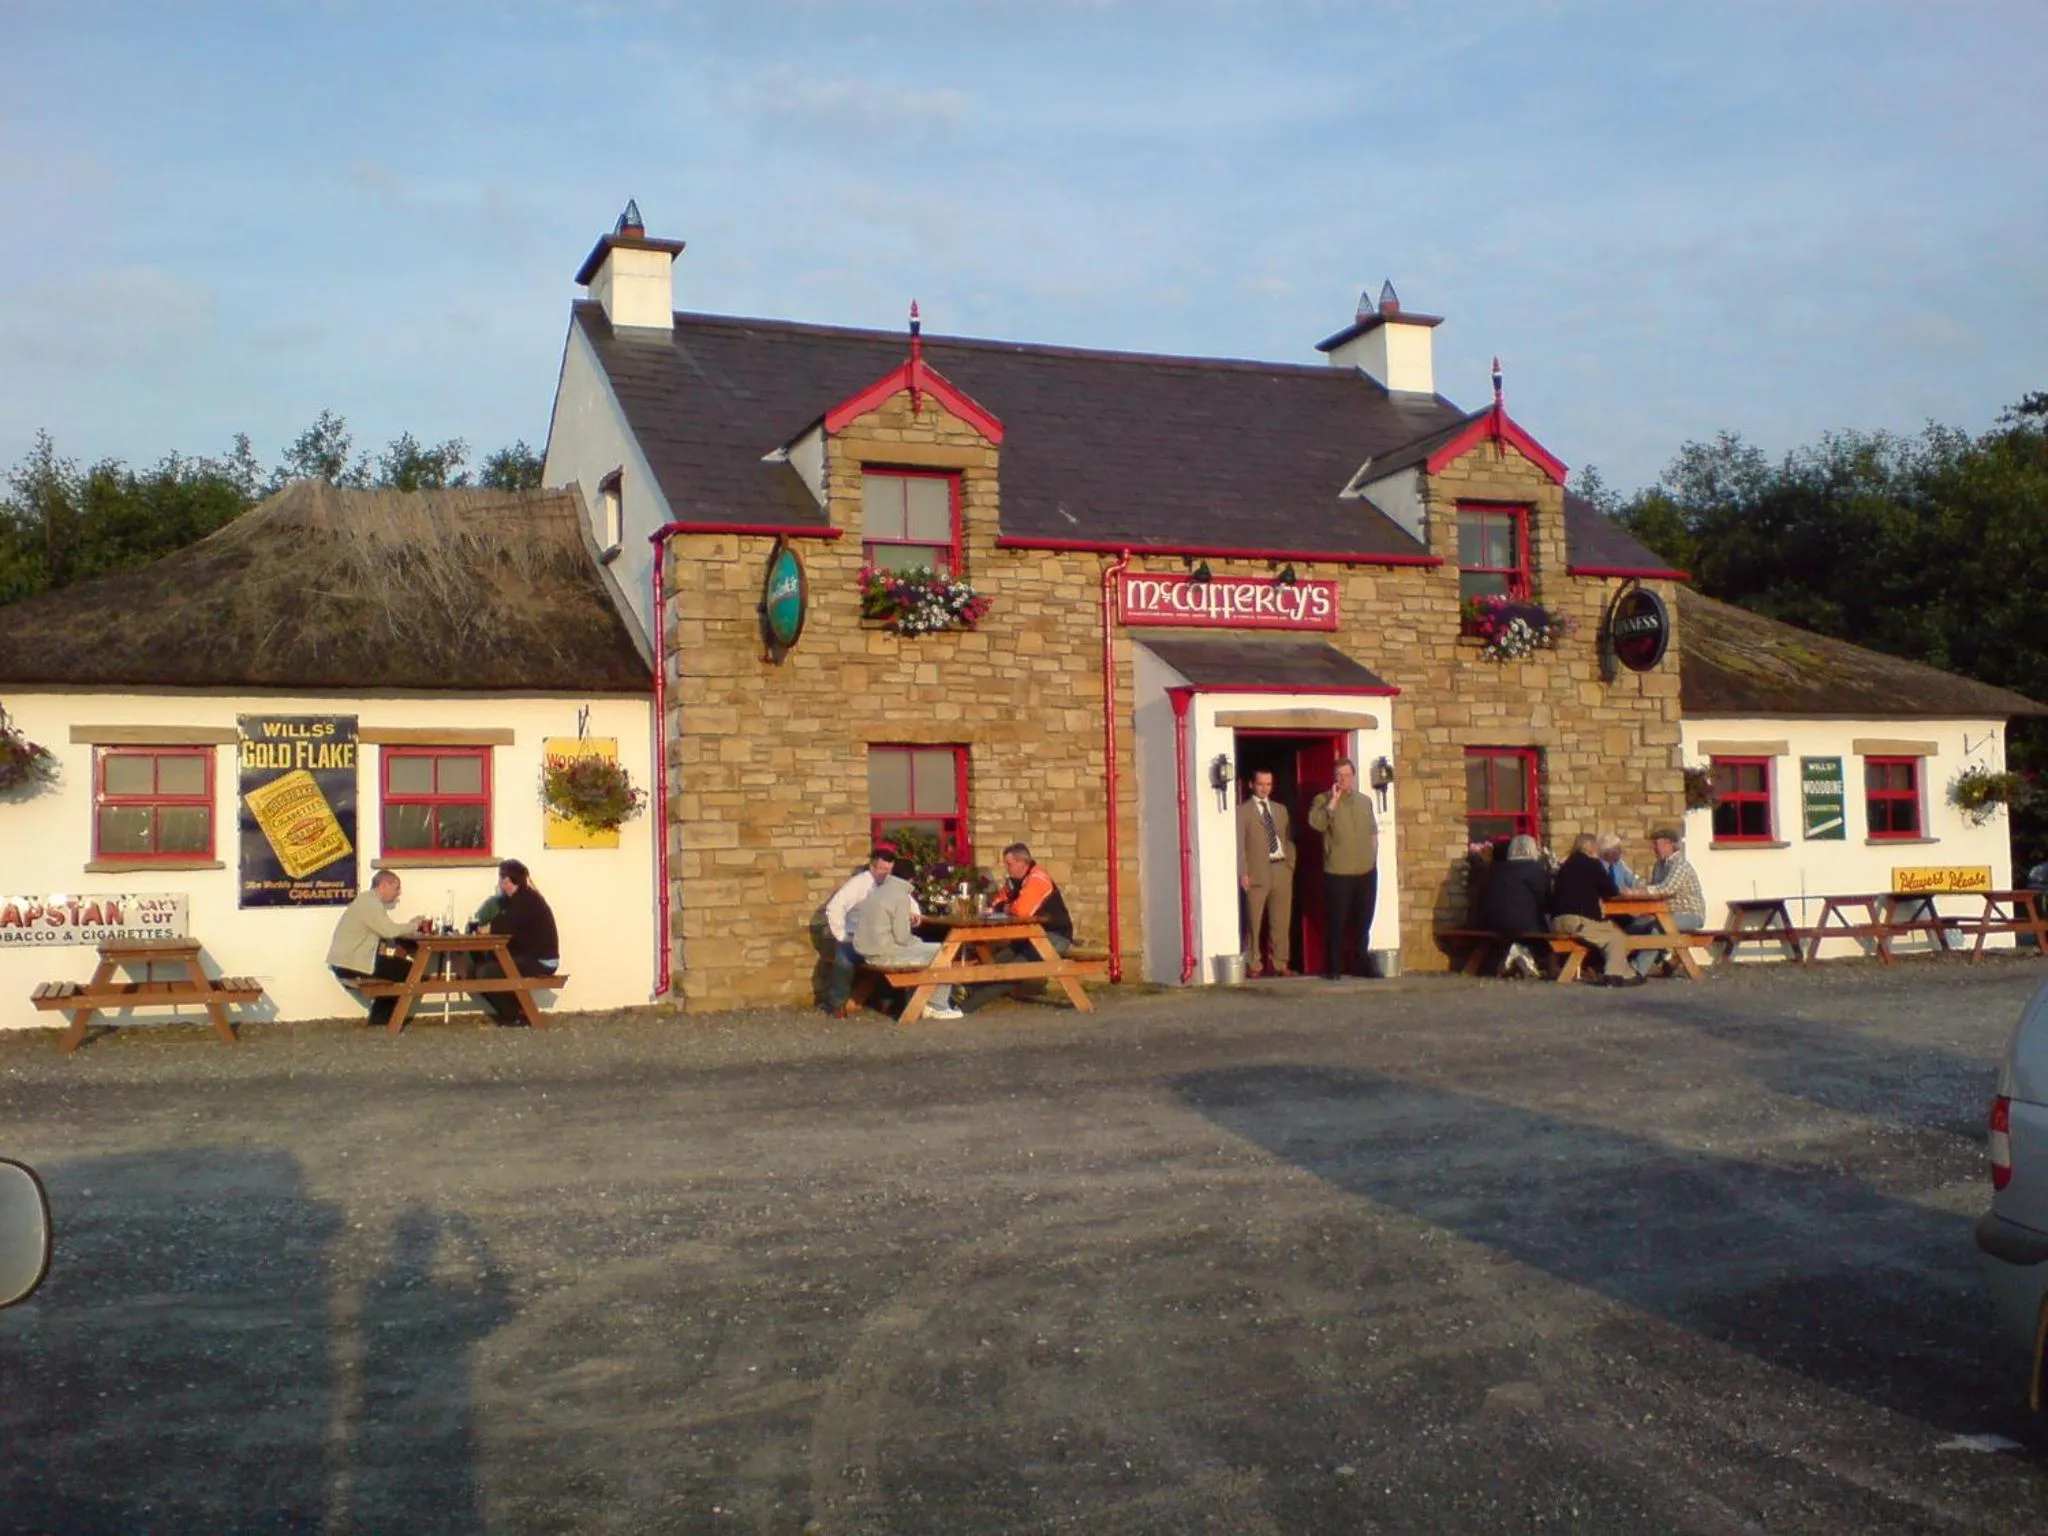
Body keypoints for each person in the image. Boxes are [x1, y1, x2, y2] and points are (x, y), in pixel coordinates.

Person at [959, 844, 1074, 1012]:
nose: (1006, 868)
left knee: (1014, 970)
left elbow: (1021, 910)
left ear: (1022, 862)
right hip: (1031, 936)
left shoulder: (1037, 879)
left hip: (1055, 936)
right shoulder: (1015, 882)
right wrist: (1005, 906)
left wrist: (1007, 907)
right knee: (999, 960)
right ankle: (966, 992)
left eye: (1009, 864)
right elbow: (996, 902)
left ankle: (965, 1007)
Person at [850, 858, 962, 1019]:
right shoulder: (900, 896)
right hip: (885, 953)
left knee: (932, 951)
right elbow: (902, 938)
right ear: (911, 879)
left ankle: (924, 1002)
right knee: (944, 951)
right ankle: (937, 1005)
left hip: (869, 952)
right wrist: (918, 942)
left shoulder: (877, 891)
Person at [327, 870, 429, 1027]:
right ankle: (386, 1020)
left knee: (400, 970)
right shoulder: (370, 904)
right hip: (352, 964)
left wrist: (408, 927)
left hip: (348, 961)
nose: (398, 895)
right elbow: (389, 931)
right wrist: (415, 925)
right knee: (413, 971)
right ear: (384, 885)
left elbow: (386, 931)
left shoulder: (366, 901)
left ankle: (380, 1019)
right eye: (396, 888)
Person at [1308, 757, 1379, 979]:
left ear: (1354, 776)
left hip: (1365, 870)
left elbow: (1373, 832)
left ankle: (1361, 964)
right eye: (1339, 775)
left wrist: (1373, 859)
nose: (1343, 779)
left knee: (1363, 921)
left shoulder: (1365, 801)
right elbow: (1316, 824)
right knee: (1337, 922)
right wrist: (1333, 803)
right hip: (1338, 871)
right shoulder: (1322, 800)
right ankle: (1334, 967)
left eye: (1347, 775)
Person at [474, 859, 560, 1023]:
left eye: (503, 880)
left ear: (511, 881)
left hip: (541, 961)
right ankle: (516, 1013)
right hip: (532, 957)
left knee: (485, 972)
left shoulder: (525, 901)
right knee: (486, 966)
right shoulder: (522, 899)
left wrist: (483, 929)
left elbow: (504, 925)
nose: (501, 884)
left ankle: (514, 1016)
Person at [1551, 833, 1638, 985]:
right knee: (1616, 938)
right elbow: (1611, 891)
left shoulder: (1565, 865)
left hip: (1558, 921)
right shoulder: (1592, 864)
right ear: (1592, 848)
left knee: (1612, 932)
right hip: (1578, 920)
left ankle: (1628, 974)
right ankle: (1613, 975)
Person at [821, 846, 897, 1013]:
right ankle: (837, 1003)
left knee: (895, 958)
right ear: (872, 867)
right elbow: (835, 907)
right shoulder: (858, 884)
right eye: (883, 869)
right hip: (855, 936)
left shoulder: (892, 884)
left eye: (889, 870)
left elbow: (909, 904)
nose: (886, 874)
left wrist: (914, 915)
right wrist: (841, 935)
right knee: (844, 961)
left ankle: (889, 1001)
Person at [1624, 825, 1706, 977]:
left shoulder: (1680, 865)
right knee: (1634, 926)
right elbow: (1653, 888)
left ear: (1670, 844)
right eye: (1654, 844)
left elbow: (1666, 889)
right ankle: (1662, 959)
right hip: (1667, 914)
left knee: (1657, 929)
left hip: (1689, 914)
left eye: (1657, 844)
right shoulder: (1660, 865)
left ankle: (1636, 971)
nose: (1654, 848)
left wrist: (1636, 892)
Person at [1237, 770, 1297, 977]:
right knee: (1254, 920)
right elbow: (1240, 844)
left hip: (1280, 868)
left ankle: (1280, 962)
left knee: (1281, 919)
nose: (1265, 788)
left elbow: (1288, 839)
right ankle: (1254, 963)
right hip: (1256, 871)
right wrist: (1243, 872)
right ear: (1252, 785)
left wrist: (1290, 864)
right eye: (1261, 784)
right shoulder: (1243, 811)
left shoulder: (1280, 810)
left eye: (1269, 784)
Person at [1480, 834, 1552, 978]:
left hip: (1492, 922)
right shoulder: (1535, 869)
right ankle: (1531, 959)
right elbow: (1545, 900)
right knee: (1548, 935)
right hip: (1522, 924)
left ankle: (1517, 957)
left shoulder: (1496, 869)